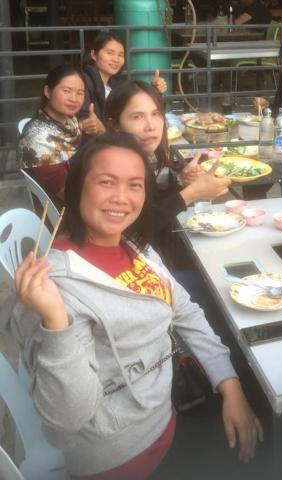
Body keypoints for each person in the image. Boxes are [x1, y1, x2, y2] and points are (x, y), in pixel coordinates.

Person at [4, 133, 262, 479]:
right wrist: (55, 322)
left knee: (258, 400)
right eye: (106, 182)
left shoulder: (133, 246)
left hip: (168, 408)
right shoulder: (57, 287)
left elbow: (186, 313)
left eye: (135, 185)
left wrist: (230, 387)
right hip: (129, 456)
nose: (121, 198)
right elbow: (65, 421)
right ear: (79, 186)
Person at [105, 81, 231, 263]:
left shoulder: (134, 157)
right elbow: (134, 230)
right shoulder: (113, 167)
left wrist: (181, 182)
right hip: (134, 267)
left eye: (156, 114)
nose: (151, 125)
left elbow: (151, 205)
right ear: (115, 125)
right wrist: (193, 193)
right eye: (137, 117)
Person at [18, 64, 86, 203]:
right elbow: (69, 195)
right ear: (48, 91)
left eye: (80, 93)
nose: (74, 98)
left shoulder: (70, 122)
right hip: (62, 214)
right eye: (67, 91)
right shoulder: (38, 138)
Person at [79, 30, 167, 136]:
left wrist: (154, 90)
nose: (116, 59)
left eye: (120, 55)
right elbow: (81, 118)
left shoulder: (116, 83)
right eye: (110, 53)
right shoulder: (83, 81)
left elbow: (132, 105)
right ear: (94, 55)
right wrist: (87, 124)